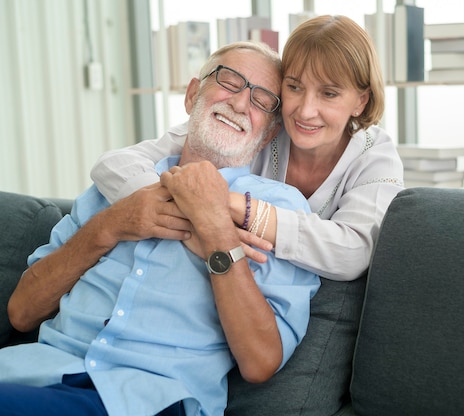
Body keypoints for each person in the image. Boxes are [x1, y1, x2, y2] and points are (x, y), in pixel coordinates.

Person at [0, 41, 319, 416]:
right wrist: (112, 224)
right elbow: (21, 312)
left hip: (150, 399)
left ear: (268, 135)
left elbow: (261, 362)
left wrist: (216, 229)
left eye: (262, 101)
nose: (239, 103)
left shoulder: (278, 211)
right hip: (38, 373)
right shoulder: (116, 186)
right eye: (230, 81)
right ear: (192, 95)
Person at [90, 15, 405, 282]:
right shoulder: (259, 127)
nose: (306, 111)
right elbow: (115, 164)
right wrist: (197, 220)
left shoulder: (374, 155)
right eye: (294, 87)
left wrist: (225, 207)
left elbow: (352, 253)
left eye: (329, 94)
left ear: (360, 100)